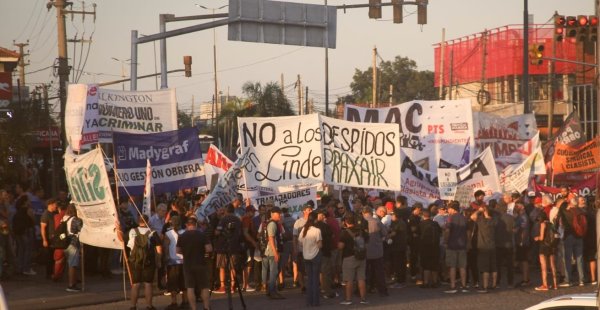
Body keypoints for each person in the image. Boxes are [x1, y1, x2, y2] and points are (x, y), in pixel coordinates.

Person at [177, 216, 213, 310]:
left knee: (190, 287)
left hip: (188, 265)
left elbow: (177, 250)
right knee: (204, 286)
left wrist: (186, 252)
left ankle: (193, 308)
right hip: (201, 263)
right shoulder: (202, 235)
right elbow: (209, 248)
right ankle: (206, 307)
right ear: (196, 224)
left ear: (186, 225)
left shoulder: (182, 236)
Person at [127, 214, 162, 310]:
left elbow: (126, 243)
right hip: (149, 261)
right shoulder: (152, 232)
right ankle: (149, 306)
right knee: (148, 283)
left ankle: (133, 306)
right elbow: (159, 247)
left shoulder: (132, 231)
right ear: (148, 222)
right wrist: (158, 260)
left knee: (135, 284)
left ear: (138, 221)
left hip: (135, 261)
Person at [339, 213, 368, 306]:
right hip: (361, 257)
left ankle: (348, 299)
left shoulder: (344, 232)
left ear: (346, 222)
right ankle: (363, 299)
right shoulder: (361, 231)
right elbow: (367, 241)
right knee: (361, 278)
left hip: (349, 257)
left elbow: (340, 246)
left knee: (349, 280)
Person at [213, 204, 243, 294]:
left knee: (222, 266)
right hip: (235, 246)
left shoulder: (223, 219)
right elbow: (240, 233)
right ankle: (232, 286)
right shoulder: (238, 220)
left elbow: (217, 232)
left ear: (226, 210)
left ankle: (222, 286)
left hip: (223, 246)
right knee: (232, 267)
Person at [471, 204, 497, 293]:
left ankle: (485, 287)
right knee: (493, 267)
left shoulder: (481, 221)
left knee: (485, 267)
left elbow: (472, 216)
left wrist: (480, 210)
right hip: (493, 246)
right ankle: (494, 285)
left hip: (483, 247)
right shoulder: (494, 221)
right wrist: (485, 211)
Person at [558, 198, 585, 287]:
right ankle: (582, 279)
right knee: (579, 258)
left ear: (570, 204)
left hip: (569, 236)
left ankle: (568, 280)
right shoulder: (580, 211)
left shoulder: (565, 212)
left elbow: (560, 223)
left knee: (567, 259)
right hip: (579, 236)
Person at [260, 206, 285, 299]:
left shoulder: (270, 223)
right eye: (278, 214)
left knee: (273, 272)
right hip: (271, 252)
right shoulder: (273, 224)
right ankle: (272, 292)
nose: (280, 215)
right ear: (273, 214)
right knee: (274, 272)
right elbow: (271, 239)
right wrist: (275, 252)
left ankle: (272, 291)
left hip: (269, 251)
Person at [363, 206, 388, 296]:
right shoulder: (377, 221)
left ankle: (362, 290)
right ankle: (382, 290)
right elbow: (385, 233)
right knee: (379, 272)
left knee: (364, 272)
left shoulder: (362, 222)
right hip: (377, 251)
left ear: (363, 213)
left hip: (365, 251)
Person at [298, 212, 322, 307]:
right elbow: (320, 245)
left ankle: (309, 301)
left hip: (306, 256)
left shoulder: (304, 229)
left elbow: (300, 242)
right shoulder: (317, 230)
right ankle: (315, 302)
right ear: (315, 219)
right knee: (315, 280)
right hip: (315, 255)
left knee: (309, 279)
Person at [164, 216, 187, 309]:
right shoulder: (185, 233)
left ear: (171, 223)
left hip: (173, 261)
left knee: (173, 283)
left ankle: (174, 302)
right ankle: (185, 301)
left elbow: (166, 248)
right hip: (184, 261)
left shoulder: (168, 234)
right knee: (184, 282)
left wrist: (166, 258)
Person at [444, 201, 468, 293]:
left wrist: (446, 241)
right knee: (462, 266)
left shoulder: (450, 218)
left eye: (448, 208)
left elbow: (447, 231)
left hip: (452, 245)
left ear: (453, 209)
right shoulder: (464, 218)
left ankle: (453, 286)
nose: (448, 210)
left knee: (452, 266)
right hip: (462, 245)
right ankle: (464, 286)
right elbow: (468, 232)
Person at [533, 211, 558, 291]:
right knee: (553, 266)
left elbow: (542, 237)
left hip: (543, 246)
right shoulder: (551, 224)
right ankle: (555, 284)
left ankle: (545, 285)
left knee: (544, 267)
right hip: (552, 246)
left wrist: (537, 238)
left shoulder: (543, 224)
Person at [12, 194, 35, 276]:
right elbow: (32, 219)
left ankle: (20, 267)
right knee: (27, 250)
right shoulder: (27, 210)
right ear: (25, 202)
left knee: (21, 249)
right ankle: (26, 268)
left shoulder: (18, 210)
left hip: (18, 231)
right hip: (26, 230)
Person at [419, 209, 441, 288]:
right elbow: (440, 232)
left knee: (426, 266)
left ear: (423, 215)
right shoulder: (435, 223)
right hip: (435, 247)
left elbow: (417, 234)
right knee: (434, 265)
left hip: (424, 247)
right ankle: (434, 282)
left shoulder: (421, 224)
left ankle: (426, 282)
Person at [63, 204, 83, 292]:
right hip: (74, 243)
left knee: (70, 264)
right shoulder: (76, 220)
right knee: (73, 265)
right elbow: (81, 230)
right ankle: (71, 285)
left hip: (65, 243)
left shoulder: (65, 218)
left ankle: (73, 280)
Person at [293, 204, 313, 291]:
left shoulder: (313, 221)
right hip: (301, 249)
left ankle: (311, 284)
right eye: (309, 210)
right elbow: (294, 236)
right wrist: (295, 248)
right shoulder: (298, 222)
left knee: (310, 268)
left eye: (311, 209)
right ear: (304, 211)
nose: (310, 211)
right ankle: (302, 285)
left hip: (311, 249)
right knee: (301, 268)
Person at [40, 198, 58, 279]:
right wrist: (44, 240)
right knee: (49, 257)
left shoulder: (54, 213)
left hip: (53, 238)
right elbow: (43, 228)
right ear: (50, 205)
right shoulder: (46, 214)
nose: (56, 206)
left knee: (53, 256)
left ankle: (54, 272)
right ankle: (49, 273)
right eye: (55, 204)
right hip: (49, 239)